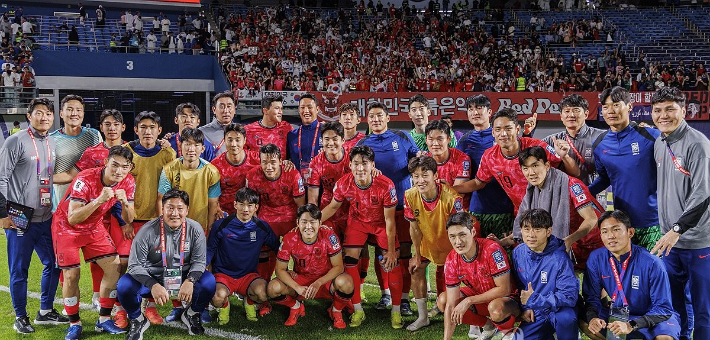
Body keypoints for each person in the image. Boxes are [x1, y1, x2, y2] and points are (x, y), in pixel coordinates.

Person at [455, 108, 578, 246]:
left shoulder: (536, 147)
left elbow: (574, 173)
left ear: (517, 129)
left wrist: (565, 156)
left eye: (508, 128)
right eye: (498, 129)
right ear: (493, 132)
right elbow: (478, 183)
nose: (503, 133)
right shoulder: (489, 156)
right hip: (522, 214)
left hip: (551, 208)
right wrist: (451, 189)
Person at [51, 146, 135, 339]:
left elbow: (129, 219)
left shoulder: (128, 181)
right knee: (72, 275)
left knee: (115, 268)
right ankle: (74, 324)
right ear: (106, 162)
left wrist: (125, 203)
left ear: (129, 168)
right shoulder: (85, 178)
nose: (118, 171)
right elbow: (73, 218)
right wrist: (98, 200)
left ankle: (104, 320)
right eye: (115, 165)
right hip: (66, 227)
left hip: (93, 226)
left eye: (124, 167)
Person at [0, 98, 66, 334]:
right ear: (29, 116)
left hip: (45, 217)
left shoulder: (53, 142)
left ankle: (45, 311)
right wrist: (2, 214)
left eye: (48, 113)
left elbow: (47, 176)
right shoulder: (15, 141)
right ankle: (20, 316)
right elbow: (1, 178)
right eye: (39, 113)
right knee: (20, 270)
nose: (44, 117)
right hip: (19, 218)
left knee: (56, 263)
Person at [320, 145, 404, 329]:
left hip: (381, 223)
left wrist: (390, 251)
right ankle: (358, 310)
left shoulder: (386, 184)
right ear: (350, 165)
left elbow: (390, 221)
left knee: (393, 263)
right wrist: (314, 220)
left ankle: (396, 311)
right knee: (349, 262)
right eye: (356, 163)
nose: (360, 168)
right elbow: (333, 207)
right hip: (357, 222)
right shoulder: (343, 183)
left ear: (372, 165)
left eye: (364, 163)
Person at [650, 87, 710, 340]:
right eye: (658, 110)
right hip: (670, 243)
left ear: (683, 111)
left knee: (703, 308)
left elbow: (703, 194)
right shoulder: (660, 142)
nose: (663, 115)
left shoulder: (698, 144)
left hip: (697, 243)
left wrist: (677, 230)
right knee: (674, 305)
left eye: (670, 109)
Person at [118, 189, 215, 338]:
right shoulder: (147, 230)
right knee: (124, 285)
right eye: (170, 208)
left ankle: (192, 314)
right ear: (162, 209)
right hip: (153, 278)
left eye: (180, 208)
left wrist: (190, 281)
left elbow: (199, 261)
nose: (175, 213)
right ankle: (137, 319)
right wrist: (153, 285)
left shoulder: (195, 229)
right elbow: (134, 265)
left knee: (208, 282)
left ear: (187, 210)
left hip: (183, 277)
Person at [356, 101, 419, 315]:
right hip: (376, 209)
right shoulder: (363, 144)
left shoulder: (401, 137)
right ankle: (385, 294)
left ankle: (403, 300)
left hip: (401, 205)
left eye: (379, 115)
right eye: (371, 116)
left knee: (403, 252)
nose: (376, 119)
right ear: (367, 119)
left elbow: (416, 160)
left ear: (387, 118)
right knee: (381, 254)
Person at [582, 210, 680, 340]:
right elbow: (592, 297)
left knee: (665, 338)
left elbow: (663, 308)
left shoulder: (652, 262)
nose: (610, 236)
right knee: (583, 321)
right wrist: (593, 318)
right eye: (604, 232)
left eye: (616, 229)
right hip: (618, 314)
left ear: (630, 232)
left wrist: (631, 325)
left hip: (651, 315)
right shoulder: (596, 258)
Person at [71, 109, 129, 320]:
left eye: (116, 124)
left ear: (123, 127)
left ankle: (120, 299)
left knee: (121, 260)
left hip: (121, 214)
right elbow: (79, 181)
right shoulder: (92, 153)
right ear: (101, 127)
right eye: (107, 124)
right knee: (99, 258)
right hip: (96, 215)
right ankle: (98, 295)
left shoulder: (131, 150)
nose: (111, 128)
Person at [589, 86, 662, 251]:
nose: (610, 111)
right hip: (622, 224)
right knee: (628, 273)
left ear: (629, 106)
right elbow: (605, 178)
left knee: (655, 272)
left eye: (616, 105)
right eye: (605, 107)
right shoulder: (600, 144)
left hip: (654, 223)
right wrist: (583, 193)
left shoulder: (651, 136)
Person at [513, 146, 604, 270]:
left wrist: (569, 240)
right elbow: (526, 227)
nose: (531, 173)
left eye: (535, 166)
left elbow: (591, 219)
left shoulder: (571, 184)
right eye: (526, 168)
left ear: (547, 165)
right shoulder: (531, 191)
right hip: (568, 249)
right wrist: (502, 241)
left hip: (594, 248)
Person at [124, 111, 176, 324]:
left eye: (152, 127)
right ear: (135, 130)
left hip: (157, 220)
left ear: (159, 130)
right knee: (125, 265)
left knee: (156, 265)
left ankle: (151, 307)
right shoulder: (127, 152)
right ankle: (124, 308)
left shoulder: (167, 154)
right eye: (143, 127)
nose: (148, 131)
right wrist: (125, 221)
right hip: (131, 220)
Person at [268, 203, 354, 329]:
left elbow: (339, 267)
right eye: (304, 222)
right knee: (272, 288)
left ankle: (336, 310)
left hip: (325, 281)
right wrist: (297, 287)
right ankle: (296, 306)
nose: (308, 226)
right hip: (302, 281)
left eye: (313, 222)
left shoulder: (329, 236)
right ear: (297, 223)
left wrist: (318, 283)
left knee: (347, 283)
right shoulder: (289, 238)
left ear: (320, 223)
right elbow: (279, 270)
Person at [403, 156, 464, 331]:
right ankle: (423, 318)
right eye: (416, 176)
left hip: (452, 245)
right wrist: (416, 254)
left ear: (435, 175)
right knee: (416, 269)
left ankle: (473, 321)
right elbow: (414, 229)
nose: (420, 180)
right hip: (428, 242)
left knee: (446, 301)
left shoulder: (452, 198)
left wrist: (459, 255)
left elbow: (460, 229)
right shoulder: (409, 195)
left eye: (425, 175)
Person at [439, 212, 521, 340]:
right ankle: (489, 327)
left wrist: (469, 300)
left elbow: (505, 289)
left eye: (462, 235)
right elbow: (450, 305)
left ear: (472, 232)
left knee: (495, 308)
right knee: (443, 301)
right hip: (481, 297)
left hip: (507, 299)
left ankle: (508, 332)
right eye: (452, 236)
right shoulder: (451, 260)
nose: (458, 242)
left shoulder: (492, 249)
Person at [245, 143, 306, 315]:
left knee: (298, 255)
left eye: (273, 161)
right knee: (264, 255)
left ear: (281, 161)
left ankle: (297, 294)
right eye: (265, 162)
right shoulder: (252, 176)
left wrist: (298, 228)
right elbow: (252, 206)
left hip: (290, 219)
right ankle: (263, 296)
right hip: (266, 220)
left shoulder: (293, 174)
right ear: (260, 161)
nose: (269, 166)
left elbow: (300, 205)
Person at [207, 187, 280, 325]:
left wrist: (288, 269)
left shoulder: (262, 227)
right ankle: (224, 305)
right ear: (235, 205)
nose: (245, 209)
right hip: (223, 275)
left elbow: (278, 248)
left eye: (250, 205)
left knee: (264, 293)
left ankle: (250, 301)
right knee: (217, 297)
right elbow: (210, 249)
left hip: (248, 276)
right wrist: (201, 270)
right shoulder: (221, 225)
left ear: (256, 207)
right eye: (241, 204)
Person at [512, 209, 579, 340]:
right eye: (526, 229)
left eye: (537, 229)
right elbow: (519, 285)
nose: (531, 234)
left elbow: (569, 296)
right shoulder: (518, 252)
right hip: (535, 311)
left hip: (559, 309)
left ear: (548, 231)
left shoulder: (560, 258)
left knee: (566, 319)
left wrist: (535, 300)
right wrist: (525, 307)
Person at [158, 128, 221, 235]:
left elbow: (213, 204)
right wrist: (163, 228)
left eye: (196, 145)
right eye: (187, 144)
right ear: (180, 146)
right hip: (174, 227)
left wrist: (209, 230)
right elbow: (161, 199)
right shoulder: (169, 169)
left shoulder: (212, 172)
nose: (191, 149)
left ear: (202, 148)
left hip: (200, 227)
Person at [50, 95, 103, 211]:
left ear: (83, 114)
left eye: (78, 110)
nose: (74, 113)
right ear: (61, 114)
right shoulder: (51, 139)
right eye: (69, 109)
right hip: (61, 203)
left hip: (90, 203)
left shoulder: (94, 135)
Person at [542, 94, 606, 185]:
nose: (571, 115)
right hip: (564, 195)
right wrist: (527, 134)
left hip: (595, 193)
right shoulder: (551, 141)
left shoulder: (602, 137)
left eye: (576, 110)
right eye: (567, 111)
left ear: (586, 114)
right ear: (561, 116)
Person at [210, 123, 259, 215]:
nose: (233, 144)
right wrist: (217, 209)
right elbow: (212, 195)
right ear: (224, 140)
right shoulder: (215, 165)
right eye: (230, 140)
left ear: (244, 140)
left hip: (252, 213)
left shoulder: (257, 160)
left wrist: (286, 163)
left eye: (237, 140)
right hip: (226, 214)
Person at [287, 93, 323, 183]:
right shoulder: (292, 135)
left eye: (310, 107)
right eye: (302, 107)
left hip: (322, 187)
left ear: (317, 109)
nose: (306, 111)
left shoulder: (327, 132)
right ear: (299, 110)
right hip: (298, 186)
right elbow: (286, 159)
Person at [423, 120, 471, 187]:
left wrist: (447, 189)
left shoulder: (462, 159)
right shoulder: (424, 162)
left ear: (449, 139)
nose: (435, 144)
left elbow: (460, 194)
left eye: (440, 139)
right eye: (431, 139)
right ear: (426, 140)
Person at [199, 91, 236, 156]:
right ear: (214, 110)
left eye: (229, 106)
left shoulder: (241, 132)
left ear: (234, 109)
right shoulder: (202, 132)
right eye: (221, 107)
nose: (226, 111)